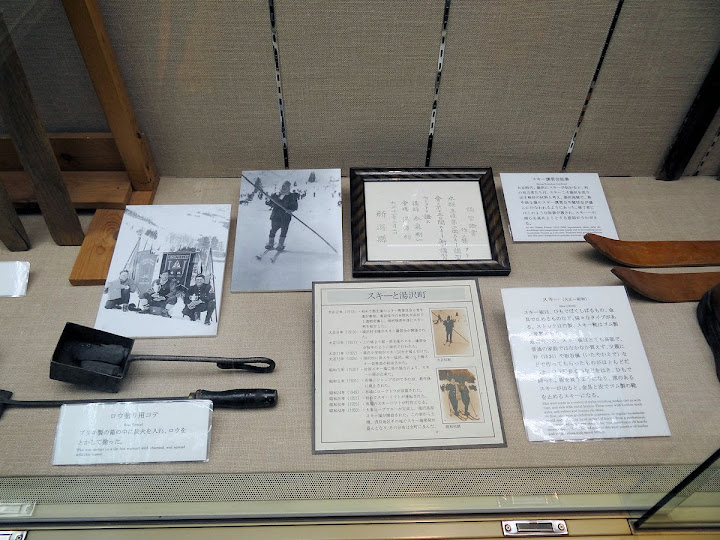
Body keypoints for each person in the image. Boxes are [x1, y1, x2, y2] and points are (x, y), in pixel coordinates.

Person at [265, 180, 300, 252]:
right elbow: (270, 203)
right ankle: (270, 243)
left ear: (289, 188)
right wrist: (268, 200)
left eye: (286, 187)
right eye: (283, 186)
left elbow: (295, 206)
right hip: (276, 215)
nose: (284, 188)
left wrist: (290, 210)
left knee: (284, 231)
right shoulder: (276, 195)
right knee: (273, 230)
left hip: (285, 216)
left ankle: (280, 244)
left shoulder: (292, 196)